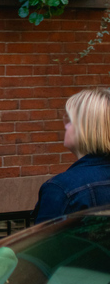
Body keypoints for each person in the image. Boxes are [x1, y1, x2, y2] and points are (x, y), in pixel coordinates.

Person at [33, 88, 110, 223]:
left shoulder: (62, 189)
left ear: (85, 127)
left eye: (70, 120)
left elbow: (46, 243)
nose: (66, 126)